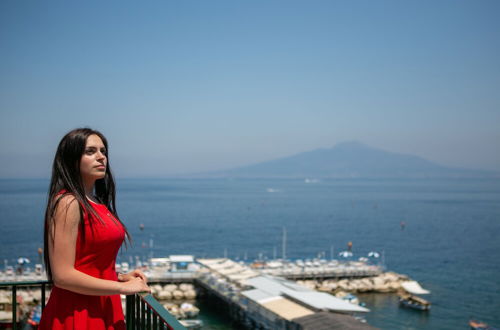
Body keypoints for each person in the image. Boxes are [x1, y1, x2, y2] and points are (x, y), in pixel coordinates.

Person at [39, 128, 150, 330]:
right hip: (77, 312)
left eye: (103, 151)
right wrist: (122, 287)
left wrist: (119, 277)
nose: (101, 157)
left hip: (102, 305)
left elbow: (88, 262)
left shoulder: (95, 201)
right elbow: (63, 276)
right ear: (72, 159)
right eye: (90, 151)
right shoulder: (68, 203)